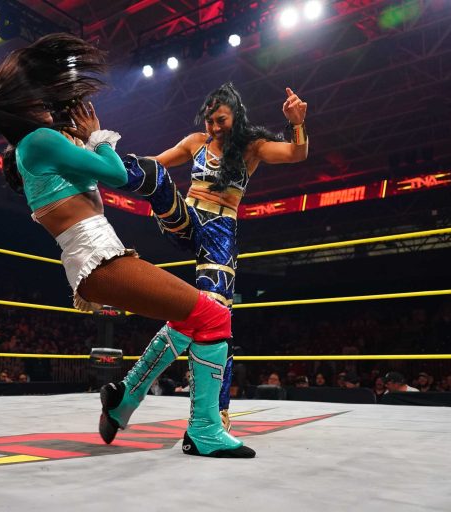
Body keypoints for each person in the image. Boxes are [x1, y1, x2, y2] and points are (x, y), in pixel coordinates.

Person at [0, 33, 253, 458]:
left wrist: (85, 139)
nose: (49, 105)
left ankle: (125, 398)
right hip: (98, 259)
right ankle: (205, 430)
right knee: (214, 315)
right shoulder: (39, 142)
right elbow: (117, 173)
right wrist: (97, 135)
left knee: (190, 318)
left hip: (97, 257)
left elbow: (93, 174)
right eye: (41, 100)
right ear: (25, 105)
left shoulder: (35, 147)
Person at [117, 82, 308, 426]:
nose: (215, 127)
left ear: (236, 116)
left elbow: (296, 154)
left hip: (220, 230)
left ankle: (217, 410)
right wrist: (110, 163)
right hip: (187, 217)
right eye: (210, 121)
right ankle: (92, 166)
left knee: (217, 314)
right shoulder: (196, 142)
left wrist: (297, 123)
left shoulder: (252, 147)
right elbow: (154, 163)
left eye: (221, 120)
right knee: (152, 173)